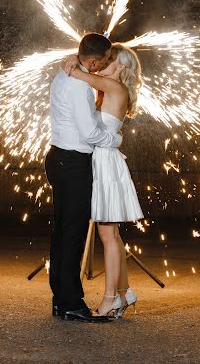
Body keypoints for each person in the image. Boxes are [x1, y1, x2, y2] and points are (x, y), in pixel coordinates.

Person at [61, 43, 143, 318]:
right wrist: (74, 58)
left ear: (120, 67)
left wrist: (74, 60)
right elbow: (83, 68)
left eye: (109, 61)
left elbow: (79, 72)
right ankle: (124, 292)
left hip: (106, 162)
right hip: (105, 159)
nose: (102, 64)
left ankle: (109, 300)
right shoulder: (110, 89)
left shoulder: (114, 88)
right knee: (112, 235)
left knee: (107, 235)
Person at [45, 32, 122, 323]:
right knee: (73, 234)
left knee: (62, 232)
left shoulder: (65, 74)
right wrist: (113, 140)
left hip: (59, 157)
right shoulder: (78, 86)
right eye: (101, 62)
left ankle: (60, 300)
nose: (102, 67)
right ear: (91, 60)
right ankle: (71, 303)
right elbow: (89, 133)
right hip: (72, 163)